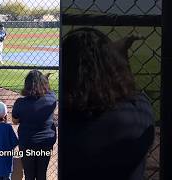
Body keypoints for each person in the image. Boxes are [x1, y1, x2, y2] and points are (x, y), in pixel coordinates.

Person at [61, 27, 155, 180]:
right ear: (113, 66)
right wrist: (120, 57)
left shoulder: (60, 123)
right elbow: (132, 93)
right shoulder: (138, 113)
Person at [12, 70, 57, 180]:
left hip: (27, 143)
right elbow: (49, 92)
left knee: (29, 175)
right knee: (42, 174)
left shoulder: (20, 103)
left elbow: (15, 121)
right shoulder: (51, 98)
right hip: (45, 142)